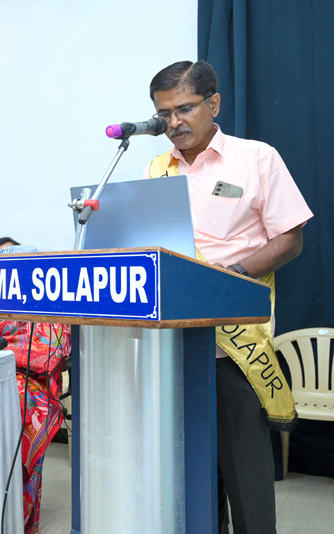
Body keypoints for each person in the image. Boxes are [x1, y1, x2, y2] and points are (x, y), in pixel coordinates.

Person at [142, 60, 313, 534]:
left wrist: (230, 277)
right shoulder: (155, 170)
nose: (173, 122)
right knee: (190, 480)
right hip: (171, 343)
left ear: (214, 103)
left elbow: (291, 237)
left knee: (246, 478)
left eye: (184, 109)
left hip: (233, 346)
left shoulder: (255, 158)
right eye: (164, 114)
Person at [0, 237, 70, 534]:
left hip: (32, 388)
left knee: (16, 406)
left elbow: (51, 354)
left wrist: (2, 353)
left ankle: (16, 520)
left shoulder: (48, 302)